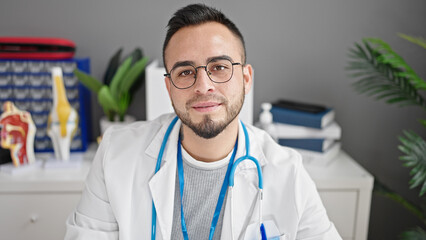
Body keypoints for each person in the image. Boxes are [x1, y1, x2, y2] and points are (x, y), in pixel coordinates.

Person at [65, 3, 342, 240]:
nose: (203, 85)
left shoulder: (288, 173)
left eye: (219, 67)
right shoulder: (116, 154)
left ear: (246, 79)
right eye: (185, 72)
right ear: (169, 87)